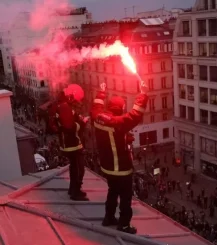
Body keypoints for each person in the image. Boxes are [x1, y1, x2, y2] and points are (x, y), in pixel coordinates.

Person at [93, 81, 148, 234]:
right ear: (120, 108)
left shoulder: (97, 117)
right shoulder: (117, 122)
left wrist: (101, 92)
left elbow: (96, 106)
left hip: (107, 167)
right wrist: (142, 93)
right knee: (125, 197)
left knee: (112, 191)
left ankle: (108, 217)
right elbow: (135, 114)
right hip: (121, 168)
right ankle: (124, 224)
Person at [54, 84, 90, 201]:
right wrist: (83, 123)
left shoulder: (64, 105)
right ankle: (75, 192)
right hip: (72, 145)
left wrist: (79, 118)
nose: (77, 101)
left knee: (75, 168)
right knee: (79, 169)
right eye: (76, 98)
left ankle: (73, 189)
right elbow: (69, 126)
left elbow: (70, 119)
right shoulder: (65, 106)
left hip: (70, 143)